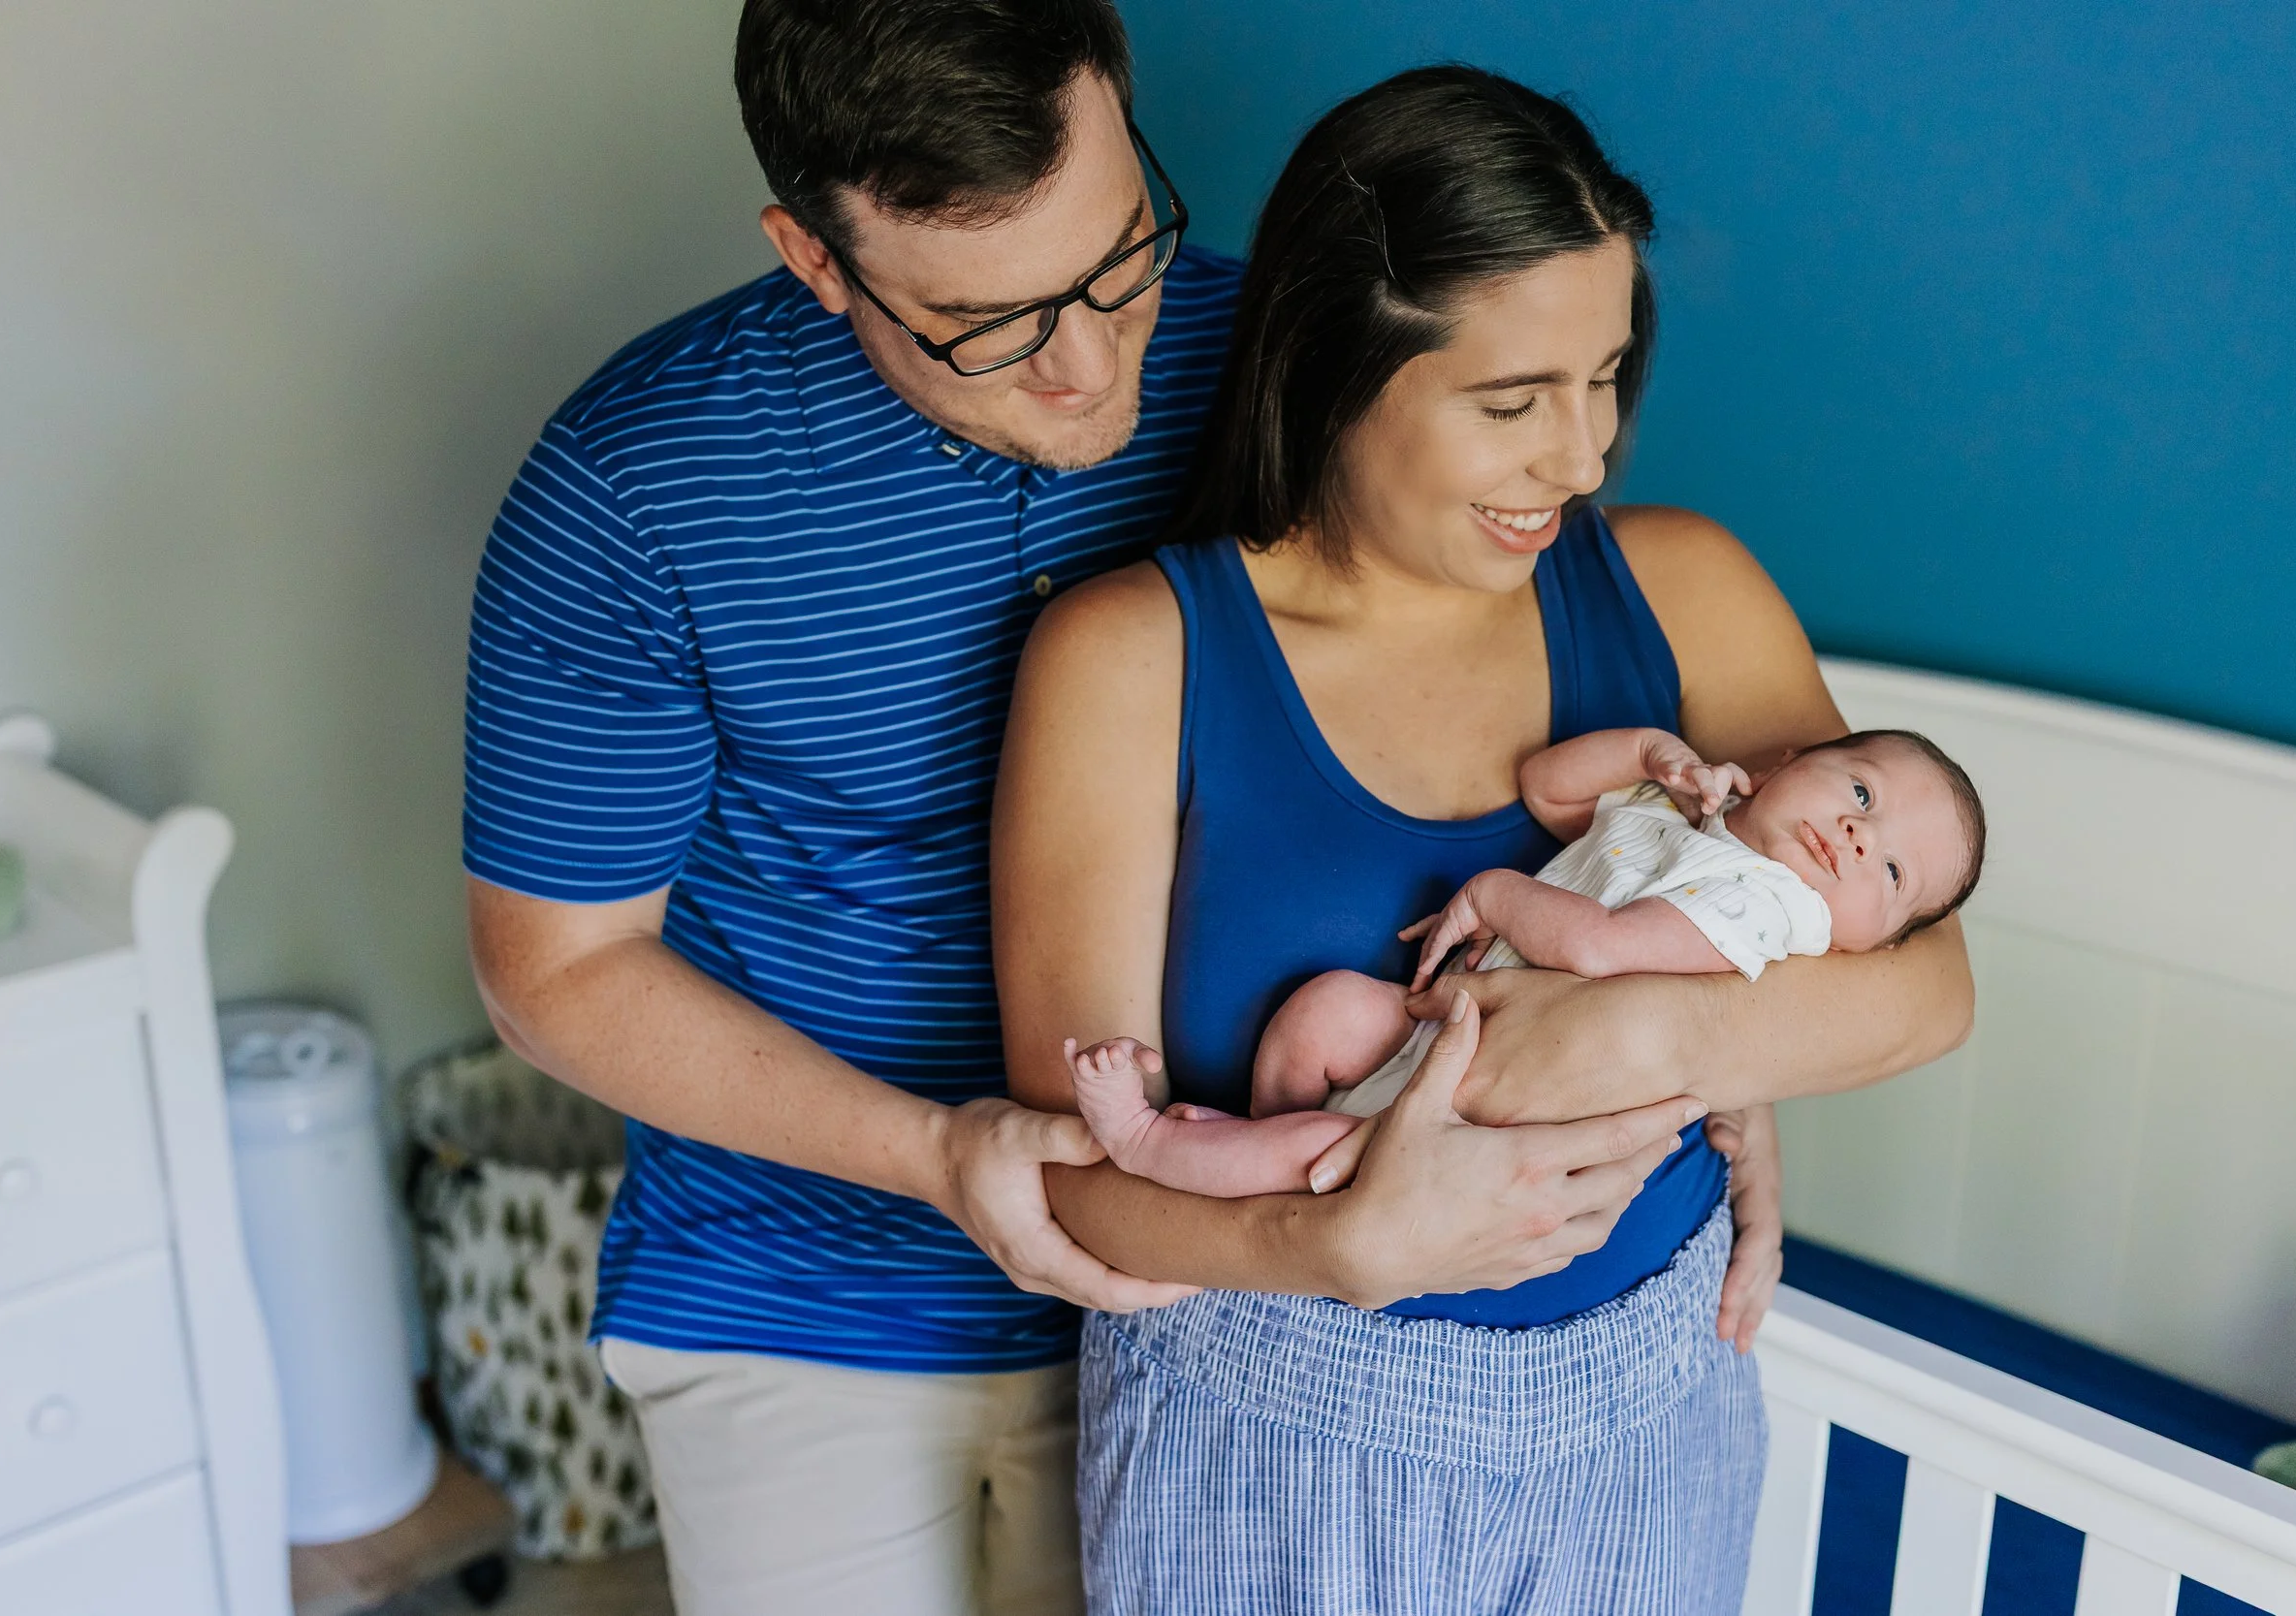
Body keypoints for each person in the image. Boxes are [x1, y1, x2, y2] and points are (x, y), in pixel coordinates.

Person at [459, 6, 1788, 1614]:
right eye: (988, 325)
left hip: (1230, 1296)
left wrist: (1703, 1047)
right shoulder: (632, 490)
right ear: (817, 259)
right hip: (811, 1288)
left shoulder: (1288, 363)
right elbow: (558, 967)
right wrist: (942, 1151)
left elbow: (1477, 691)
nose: (1094, 365)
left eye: (1119, 256)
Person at [991, 66, 1976, 1611]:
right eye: (1513, 402)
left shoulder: (1681, 584)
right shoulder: (1135, 657)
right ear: (1335, 367)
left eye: (1606, 378)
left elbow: (1926, 988)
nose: (1581, 459)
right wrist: (1339, 1244)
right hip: (1272, 1413)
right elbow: (1070, 1179)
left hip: (1648, 1401)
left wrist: (1646, 1033)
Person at [1063, 726, 1986, 1197]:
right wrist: (1651, 753)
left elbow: (1599, 948)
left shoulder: (1771, 908)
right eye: (1861, 789)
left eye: (1895, 870)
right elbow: (1548, 784)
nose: (1861, 836)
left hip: (1481, 1100)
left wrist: (1495, 895)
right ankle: (1244, 1144)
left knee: (1325, 1153)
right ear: (1786, 761)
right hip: (1448, 1024)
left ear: (1869, 943)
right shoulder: (1684, 819)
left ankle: (1151, 1146)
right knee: (1328, 1012)